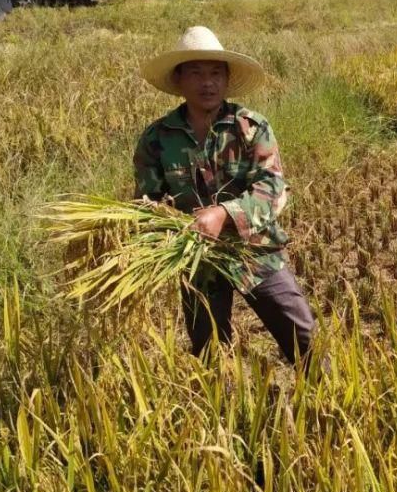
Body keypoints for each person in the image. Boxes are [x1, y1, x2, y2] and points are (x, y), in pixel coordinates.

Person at [133, 26, 319, 372]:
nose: (208, 82)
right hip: (197, 259)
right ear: (180, 80)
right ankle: (223, 415)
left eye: (216, 73)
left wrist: (224, 214)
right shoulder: (157, 138)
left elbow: (273, 189)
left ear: (227, 79)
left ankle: (326, 404)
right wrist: (165, 222)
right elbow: (147, 201)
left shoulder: (250, 127)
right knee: (210, 352)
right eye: (197, 73)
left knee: (303, 336)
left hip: (255, 249)